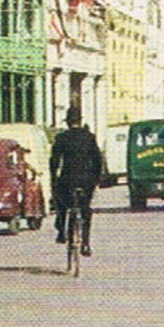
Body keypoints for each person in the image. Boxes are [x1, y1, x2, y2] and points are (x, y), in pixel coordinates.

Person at [50, 106, 103, 257]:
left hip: (67, 179)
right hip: (86, 180)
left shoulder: (62, 138)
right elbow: (97, 159)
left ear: (67, 122)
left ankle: (61, 230)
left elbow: (54, 161)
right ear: (80, 121)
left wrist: (54, 178)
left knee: (61, 203)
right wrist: (96, 178)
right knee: (86, 209)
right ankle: (86, 243)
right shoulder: (89, 137)